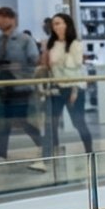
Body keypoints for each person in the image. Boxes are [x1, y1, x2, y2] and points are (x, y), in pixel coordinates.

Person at [0, 6, 46, 166]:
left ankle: (43, 146)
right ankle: (1, 155)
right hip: (0, 87)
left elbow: (34, 62)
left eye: (2, 18)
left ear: (12, 19)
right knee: (1, 122)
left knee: (23, 121)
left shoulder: (25, 40)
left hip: (20, 87)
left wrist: (17, 67)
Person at [40, 13, 94, 158]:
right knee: (51, 123)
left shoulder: (75, 44)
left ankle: (90, 152)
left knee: (78, 122)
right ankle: (48, 155)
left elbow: (76, 66)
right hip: (57, 87)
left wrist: (75, 90)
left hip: (73, 87)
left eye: (58, 23)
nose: (55, 26)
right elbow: (48, 67)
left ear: (66, 25)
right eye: (54, 24)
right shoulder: (51, 44)